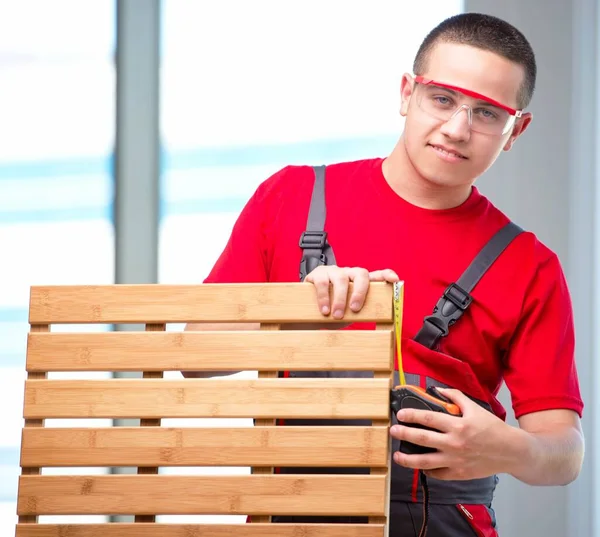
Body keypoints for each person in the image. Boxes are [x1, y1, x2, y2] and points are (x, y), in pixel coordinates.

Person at [183, 12, 584, 536]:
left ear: (516, 130)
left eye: (487, 113)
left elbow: (564, 452)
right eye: (442, 99)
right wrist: (294, 317)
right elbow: (193, 357)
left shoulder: (530, 266)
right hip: (288, 513)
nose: (457, 129)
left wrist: (506, 447)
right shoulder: (290, 198)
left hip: (441, 521)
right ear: (406, 93)